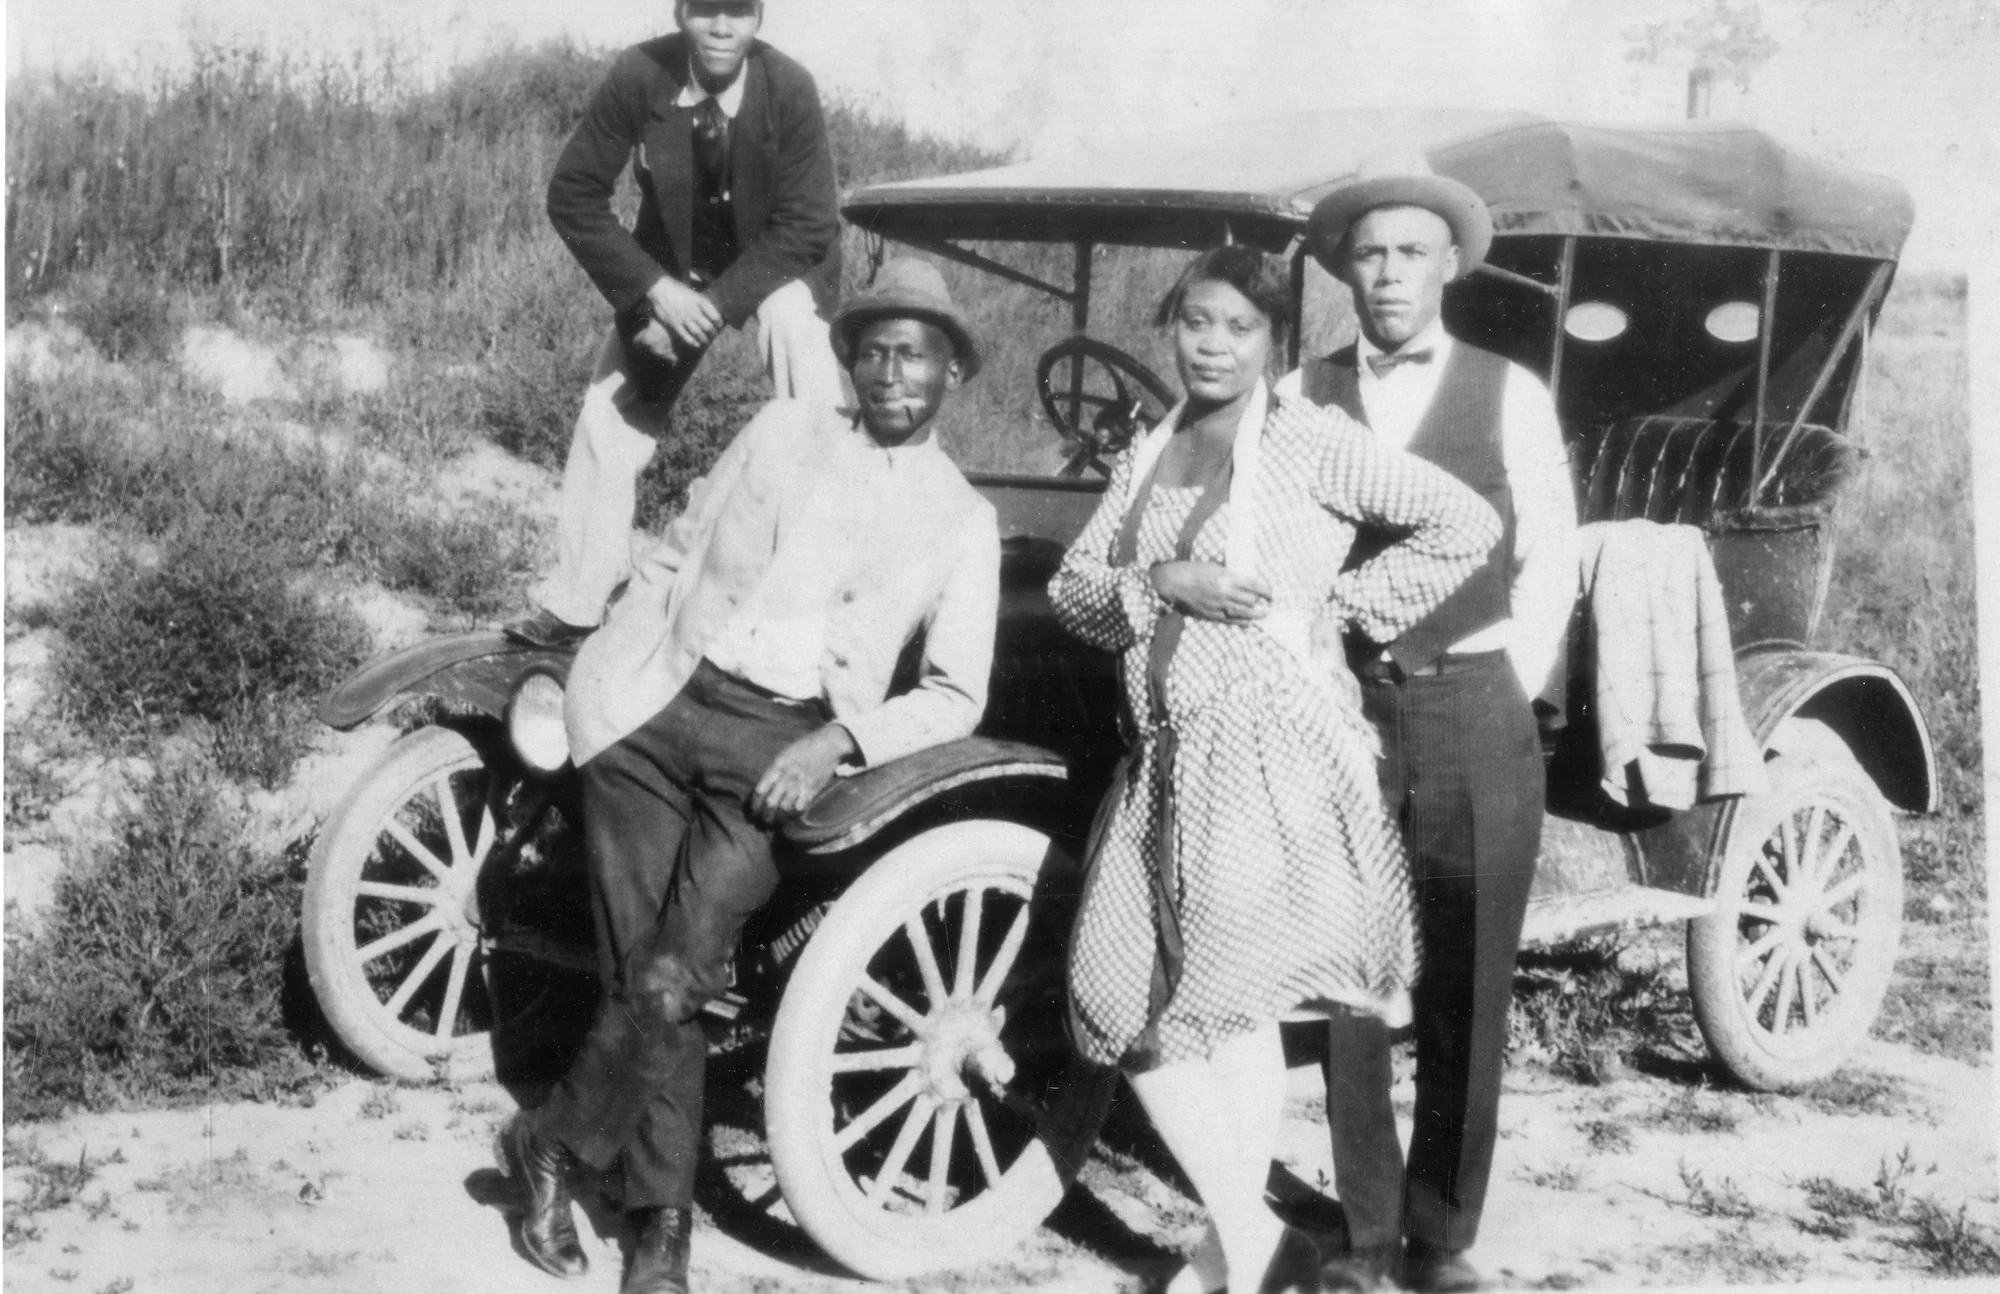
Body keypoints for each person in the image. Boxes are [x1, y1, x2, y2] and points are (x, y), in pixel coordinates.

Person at [492, 259, 999, 1294]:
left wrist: (836, 745)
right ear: (847, 360)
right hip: (656, 707)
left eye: (916, 353)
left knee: (678, 973)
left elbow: (954, 694)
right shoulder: (781, 432)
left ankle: (547, 1142)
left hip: (780, 749)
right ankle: (660, 1235)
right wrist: (620, 666)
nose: (891, 371)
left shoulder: (961, 518)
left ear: (951, 372)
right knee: (648, 971)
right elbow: (678, 549)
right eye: (872, 349)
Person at [1051, 247, 1501, 1294]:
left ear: (1272, 345)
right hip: (1162, 758)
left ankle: (1237, 1254)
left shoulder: (1308, 441)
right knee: (1121, 998)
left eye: (1237, 329)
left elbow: (1464, 521)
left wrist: (1339, 616)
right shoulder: (1149, 445)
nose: (1211, 345)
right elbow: (1077, 590)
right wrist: (1159, 580)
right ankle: (1254, 1246)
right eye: (1195, 322)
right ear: (1172, 326)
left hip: (1262, 756)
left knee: (1221, 1008)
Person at [1278, 150, 1579, 1294]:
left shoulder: (1507, 390)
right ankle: (1360, 1238)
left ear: (1446, 266)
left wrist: (1501, 678)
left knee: (1464, 978)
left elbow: (1547, 556)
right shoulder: (1302, 395)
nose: (1389, 276)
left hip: (1469, 707)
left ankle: (1441, 1238)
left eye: (1410, 253)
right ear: (1343, 272)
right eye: (1369, 255)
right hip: (1342, 713)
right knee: (1351, 979)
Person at [507, 0, 846, 649]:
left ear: (760, 19)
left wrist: (710, 310)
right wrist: (655, 292)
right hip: (674, 269)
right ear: (681, 12)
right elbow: (572, 193)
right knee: (608, 410)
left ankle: (816, 593)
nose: (722, 27)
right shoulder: (640, 73)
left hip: (779, 264)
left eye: (739, 11)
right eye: (706, 9)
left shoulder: (789, 87)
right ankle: (579, 598)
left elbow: (807, 224)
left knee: (801, 358)